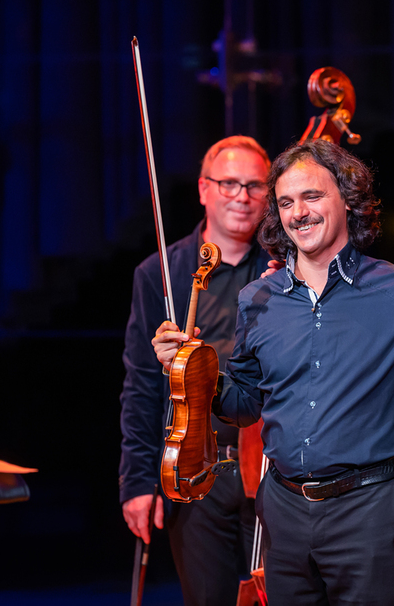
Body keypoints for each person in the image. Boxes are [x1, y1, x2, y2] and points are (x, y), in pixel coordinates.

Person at [152, 139, 394, 606]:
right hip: (283, 514)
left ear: (347, 198)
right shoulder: (258, 300)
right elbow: (244, 405)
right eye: (286, 202)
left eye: (312, 196)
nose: (298, 213)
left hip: (367, 513)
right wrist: (189, 370)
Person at [119, 135, 272, 606]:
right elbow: (143, 383)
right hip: (194, 466)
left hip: (270, 469)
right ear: (204, 189)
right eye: (229, 184)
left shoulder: (284, 270)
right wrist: (138, 481)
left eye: (254, 186)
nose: (242, 197)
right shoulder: (160, 272)